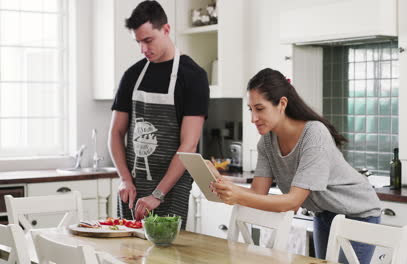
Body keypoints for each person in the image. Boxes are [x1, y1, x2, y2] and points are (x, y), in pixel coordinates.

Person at [210, 68, 381, 263]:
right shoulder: (267, 142)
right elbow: (258, 194)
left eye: (259, 108)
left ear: (282, 104)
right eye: (251, 109)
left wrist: (238, 194)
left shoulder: (314, 134)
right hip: (325, 213)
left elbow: (292, 202)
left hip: (358, 213)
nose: (253, 118)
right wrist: (221, 182)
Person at [108, 0, 209, 229]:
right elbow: (116, 132)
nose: (143, 49)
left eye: (148, 40)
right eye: (138, 42)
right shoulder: (132, 75)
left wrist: (158, 194)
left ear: (166, 30)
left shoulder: (193, 77)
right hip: (132, 189)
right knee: (126, 255)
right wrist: (124, 178)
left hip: (171, 190)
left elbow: (189, 144)